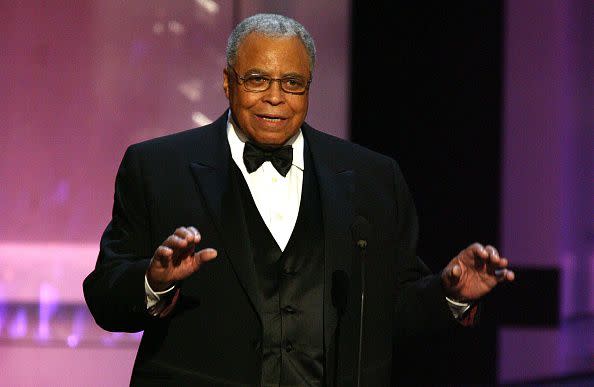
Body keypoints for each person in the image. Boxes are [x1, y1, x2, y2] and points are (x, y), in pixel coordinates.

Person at [83, 13, 514, 386]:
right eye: (257, 80)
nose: (275, 97)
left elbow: (389, 313)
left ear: (309, 86)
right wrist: (155, 282)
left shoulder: (372, 178)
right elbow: (104, 297)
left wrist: (450, 294)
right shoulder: (158, 168)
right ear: (228, 82)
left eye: (292, 82)